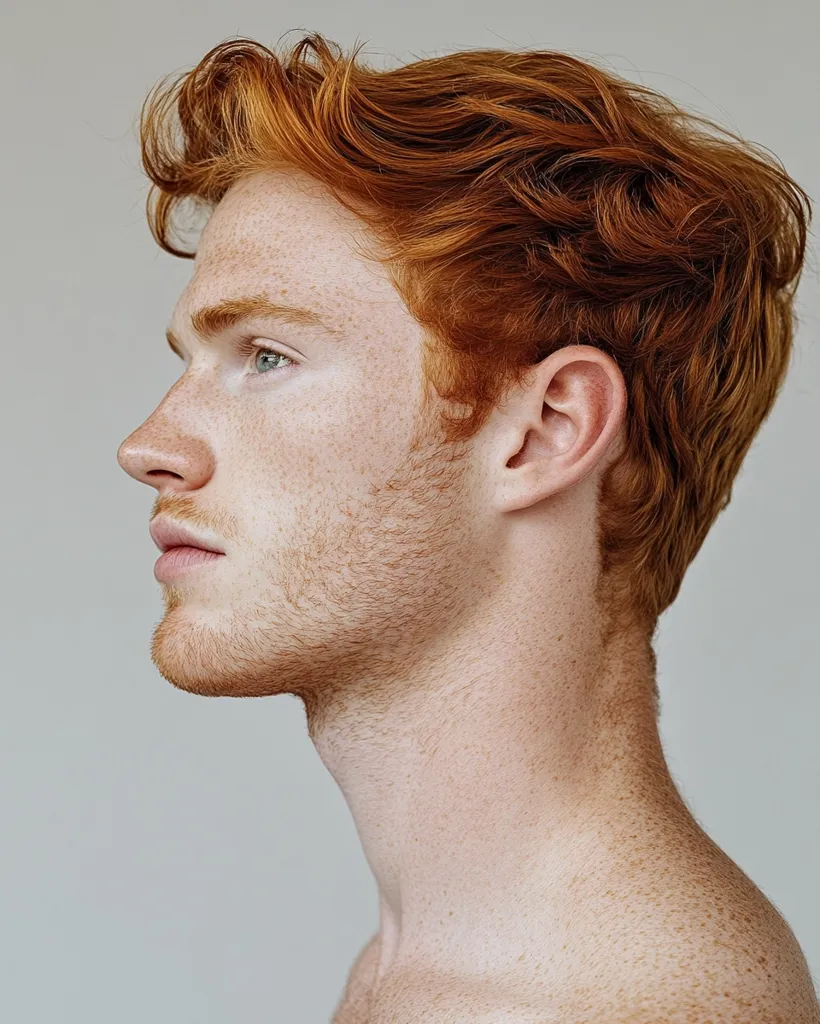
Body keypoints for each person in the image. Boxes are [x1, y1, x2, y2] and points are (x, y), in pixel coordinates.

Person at [116, 32, 819, 1023]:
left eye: (266, 356)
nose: (150, 445)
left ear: (545, 431)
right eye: (193, 360)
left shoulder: (614, 1003)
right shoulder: (429, 974)